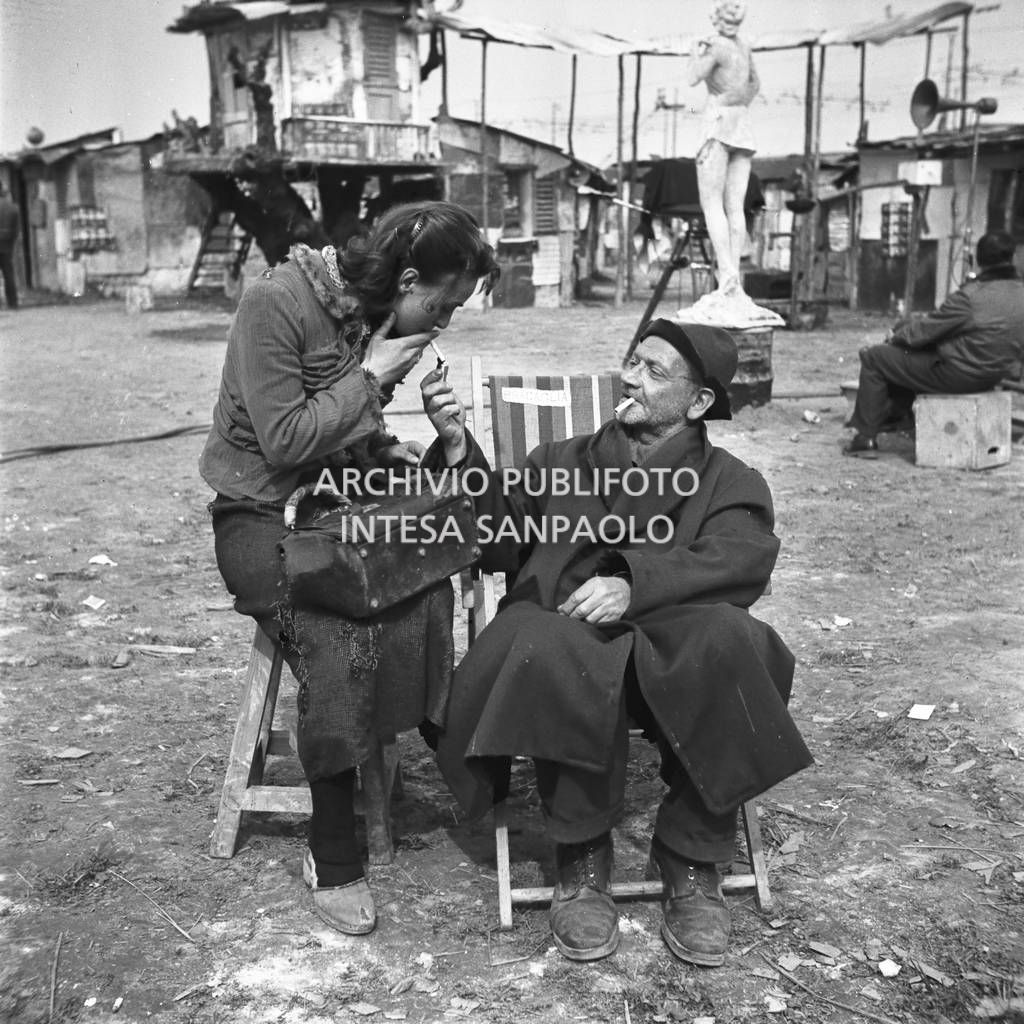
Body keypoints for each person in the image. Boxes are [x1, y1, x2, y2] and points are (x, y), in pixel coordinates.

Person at [420, 318, 812, 967]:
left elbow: (740, 558)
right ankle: (581, 855)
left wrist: (637, 582)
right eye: (632, 361)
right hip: (566, 638)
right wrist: (460, 448)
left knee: (735, 640)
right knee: (547, 644)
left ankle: (691, 858)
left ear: (700, 402)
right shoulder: (557, 463)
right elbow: (494, 540)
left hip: (672, 645)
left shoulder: (730, 481)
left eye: (654, 371)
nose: (629, 377)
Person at [200, 200, 499, 934]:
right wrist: (370, 382)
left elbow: (338, 432)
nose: (444, 322)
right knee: (334, 625)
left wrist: (381, 449)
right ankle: (333, 848)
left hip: (330, 505)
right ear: (404, 278)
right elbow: (282, 441)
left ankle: (457, 744)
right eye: (442, 303)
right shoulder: (275, 303)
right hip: (258, 519)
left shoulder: (373, 316)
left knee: (424, 574)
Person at [845, 230, 1024, 457]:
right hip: (995, 374)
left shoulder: (971, 297)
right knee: (909, 349)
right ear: (1013, 258)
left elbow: (924, 331)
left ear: (978, 261)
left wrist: (896, 335)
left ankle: (865, 438)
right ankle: (898, 416)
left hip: (959, 376)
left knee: (876, 357)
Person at [688, 1, 761, 312]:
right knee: (735, 206)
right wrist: (736, 99)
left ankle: (728, 277)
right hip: (742, 124)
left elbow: (693, 76)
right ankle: (734, 281)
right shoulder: (745, 46)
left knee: (712, 204)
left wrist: (695, 50)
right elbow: (755, 85)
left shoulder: (716, 46)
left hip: (718, 124)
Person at [0, 180, 21, 310]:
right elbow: (16, 230)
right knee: (8, 274)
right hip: (7, 245)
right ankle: (13, 303)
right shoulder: (13, 207)